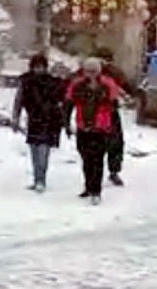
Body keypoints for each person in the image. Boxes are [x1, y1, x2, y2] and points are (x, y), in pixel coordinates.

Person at [65, 57, 121, 205]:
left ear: (99, 71)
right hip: (83, 126)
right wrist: (66, 124)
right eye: (88, 71)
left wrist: (112, 127)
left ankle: (96, 190)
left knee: (98, 160)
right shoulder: (77, 85)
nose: (91, 74)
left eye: (94, 71)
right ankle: (88, 186)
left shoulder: (107, 85)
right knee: (86, 159)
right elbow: (69, 104)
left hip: (101, 128)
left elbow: (114, 106)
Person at [11, 53, 64, 192]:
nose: (39, 69)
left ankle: (41, 180)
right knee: (34, 150)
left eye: (41, 67)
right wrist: (15, 117)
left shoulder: (52, 82)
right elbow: (19, 100)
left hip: (50, 120)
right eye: (36, 67)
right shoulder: (26, 82)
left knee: (43, 151)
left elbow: (62, 100)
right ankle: (37, 178)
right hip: (34, 119)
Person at [94, 47, 135, 186]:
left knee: (115, 143)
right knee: (104, 143)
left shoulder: (113, 72)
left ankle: (113, 171)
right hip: (95, 111)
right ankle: (99, 172)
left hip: (108, 110)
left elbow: (127, 86)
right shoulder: (91, 71)